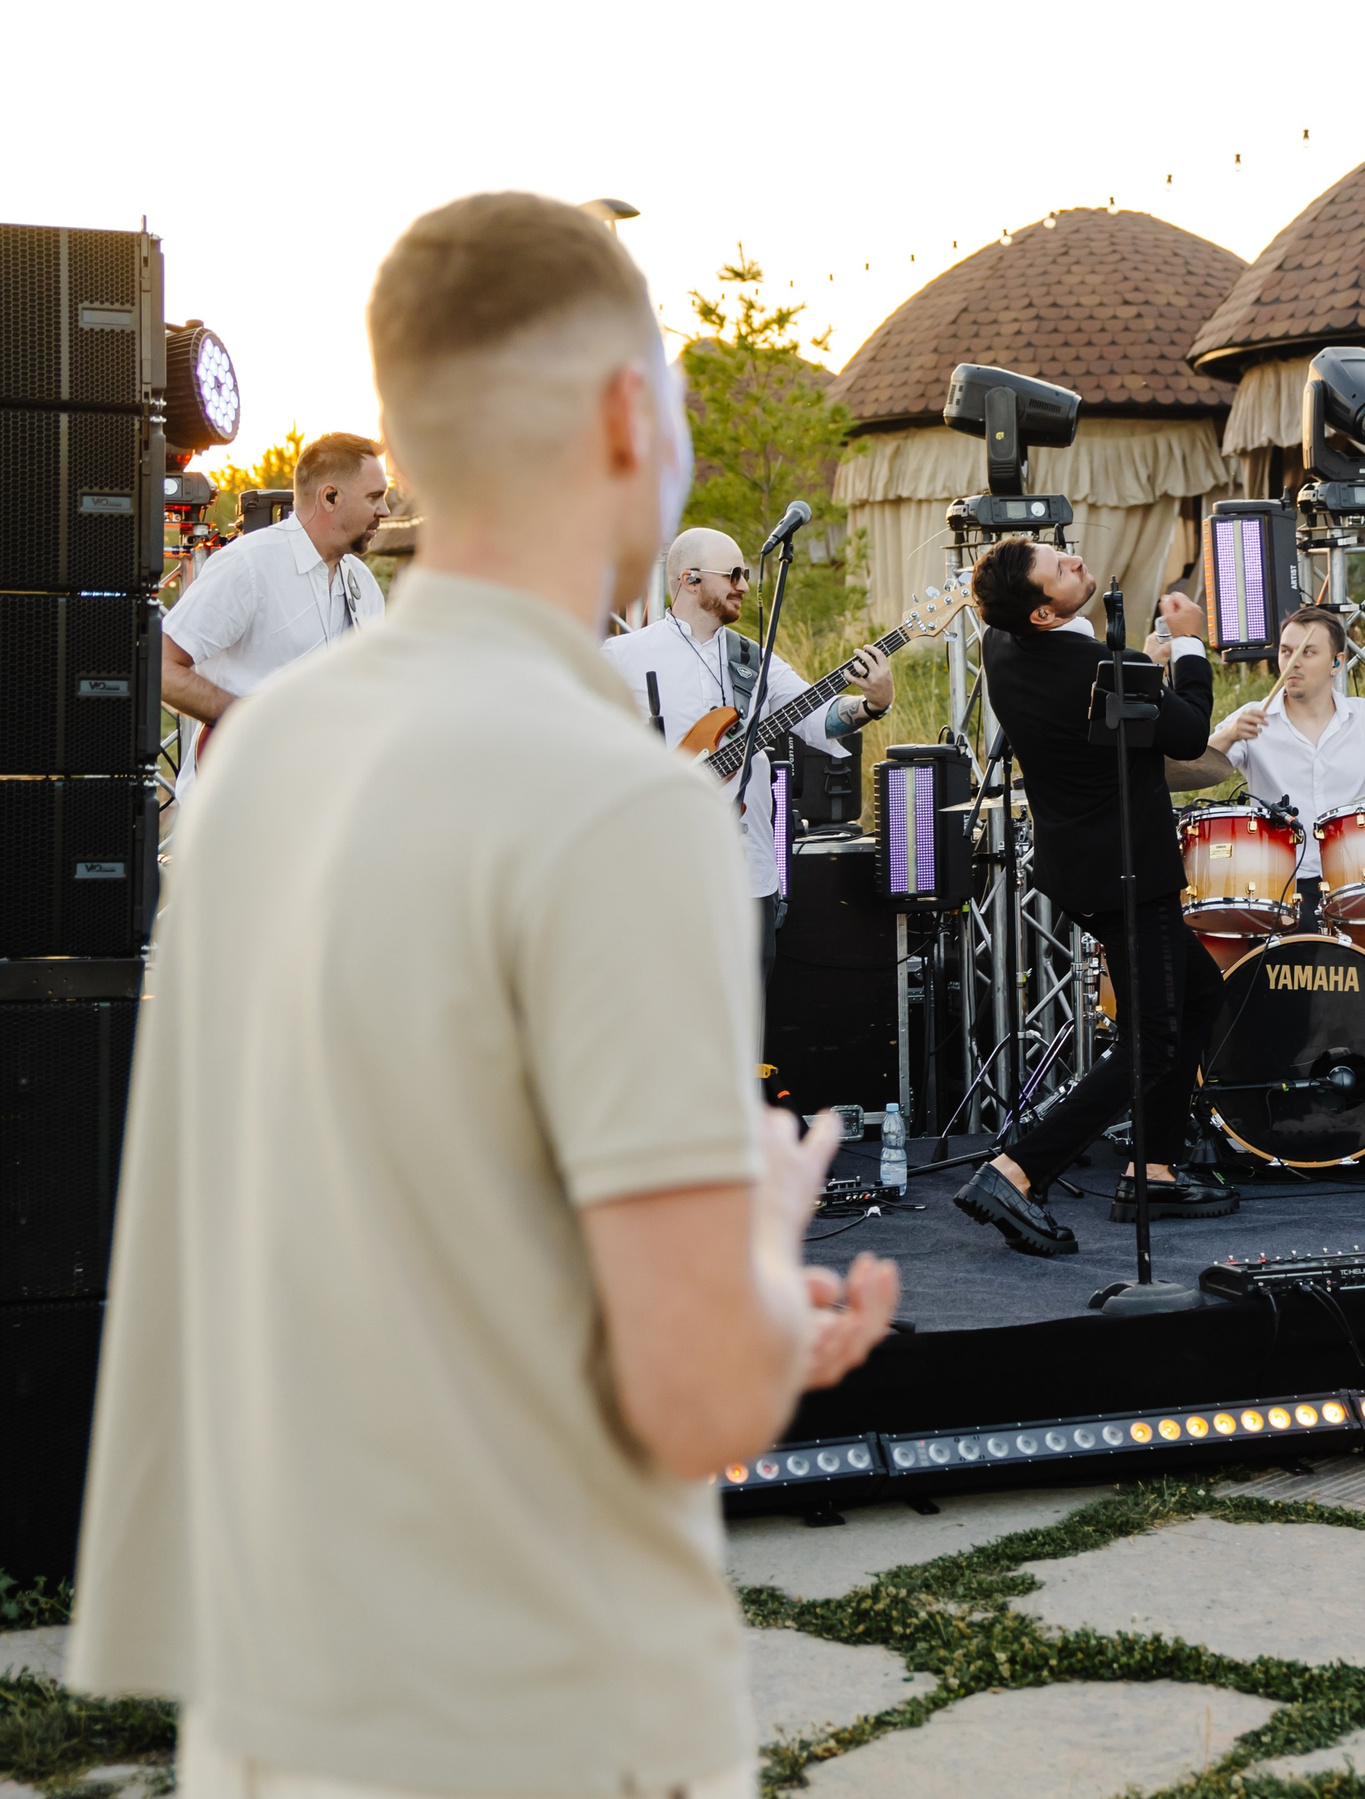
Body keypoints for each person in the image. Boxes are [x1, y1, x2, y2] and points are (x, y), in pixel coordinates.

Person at [67, 193, 901, 1799]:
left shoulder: (258, 771)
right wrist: (755, 1258)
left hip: (283, 1691)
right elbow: (690, 1386)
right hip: (533, 1700)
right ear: (615, 415)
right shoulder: (626, 804)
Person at [955, 538, 1233, 1252]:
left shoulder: (1003, 645)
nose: (1075, 559)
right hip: (1129, 872)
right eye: (1060, 567)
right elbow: (1189, 732)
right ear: (1044, 611)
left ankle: (1154, 1166)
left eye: (1062, 551)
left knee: (1198, 993)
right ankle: (1018, 1170)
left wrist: (1143, 669)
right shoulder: (1097, 667)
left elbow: (1110, 704)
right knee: (1152, 1044)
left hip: (1078, 865)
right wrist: (1190, 644)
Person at [601, 525, 893, 969]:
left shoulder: (753, 660)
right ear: (690, 579)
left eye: (745, 574)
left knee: (747, 1017)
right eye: (733, 574)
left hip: (747, 872)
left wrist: (872, 702)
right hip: (659, 875)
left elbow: (819, 719)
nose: (743, 585)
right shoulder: (623, 657)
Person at [160, 432, 392, 795]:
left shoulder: (362, 583)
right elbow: (162, 668)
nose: (385, 510)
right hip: (237, 804)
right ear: (330, 497)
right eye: (375, 497)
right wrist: (247, 718)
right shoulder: (248, 565)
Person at [1198, 606, 1365, 920]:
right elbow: (1195, 767)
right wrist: (1231, 735)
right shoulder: (1254, 717)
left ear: (1336, 663)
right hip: (1283, 888)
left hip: (1361, 883)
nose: (1292, 662)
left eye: (1307, 652)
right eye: (1286, 651)